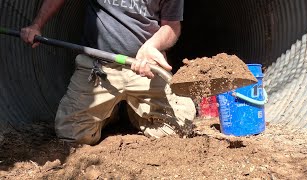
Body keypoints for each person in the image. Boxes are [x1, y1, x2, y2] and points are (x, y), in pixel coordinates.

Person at [21, 0, 196, 145]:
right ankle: (109, 113)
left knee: (181, 128)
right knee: (72, 134)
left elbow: (172, 27)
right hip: (98, 66)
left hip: (144, 68)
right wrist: (37, 25)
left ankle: (134, 113)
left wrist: (152, 46)